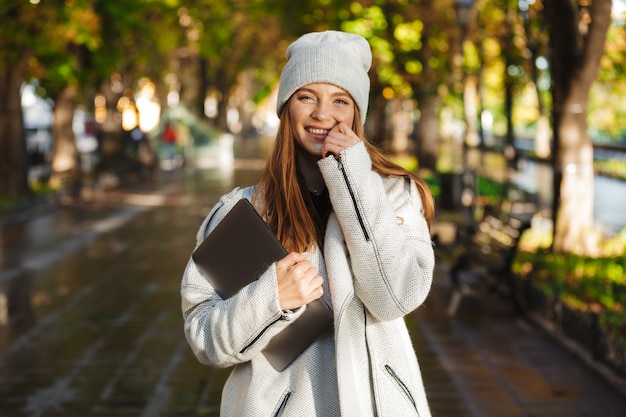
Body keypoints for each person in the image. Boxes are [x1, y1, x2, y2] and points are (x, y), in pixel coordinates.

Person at [181, 30, 436, 416]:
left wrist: (353, 176)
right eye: (306, 97)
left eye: (340, 100)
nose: (322, 114)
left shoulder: (395, 195)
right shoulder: (242, 212)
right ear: (287, 108)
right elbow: (203, 337)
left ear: (356, 113)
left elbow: (395, 297)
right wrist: (271, 300)